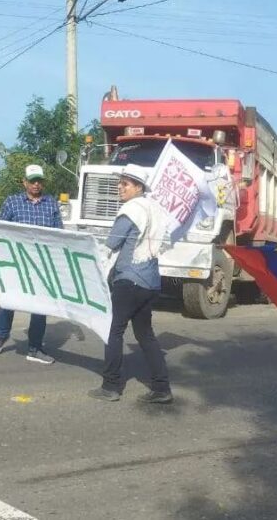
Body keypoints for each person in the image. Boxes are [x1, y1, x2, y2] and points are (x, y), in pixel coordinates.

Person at [88, 164, 174, 404]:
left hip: (129, 280)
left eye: (125, 184)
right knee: (145, 334)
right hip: (150, 282)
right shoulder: (155, 209)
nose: (120, 187)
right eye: (121, 182)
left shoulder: (132, 209)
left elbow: (113, 242)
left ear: (138, 187)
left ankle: (111, 385)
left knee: (113, 331)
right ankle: (162, 388)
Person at [0, 164, 62, 364]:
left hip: (42, 264)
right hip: (16, 262)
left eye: (39, 180)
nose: (36, 184)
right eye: (32, 180)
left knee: (40, 306)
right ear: (24, 182)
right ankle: (1, 336)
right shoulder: (12, 202)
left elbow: (59, 235)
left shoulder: (51, 204)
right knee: (8, 300)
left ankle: (35, 347)